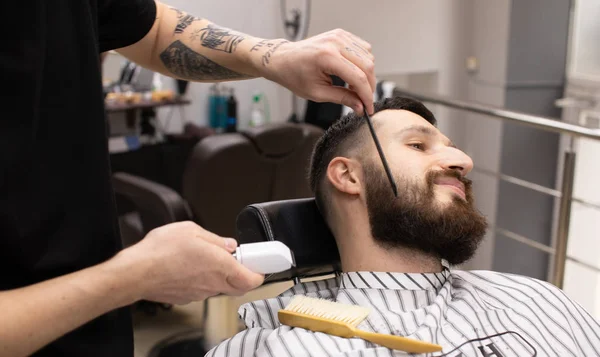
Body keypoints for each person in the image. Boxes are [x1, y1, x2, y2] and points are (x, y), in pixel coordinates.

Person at [0, 1, 376, 356]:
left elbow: (156, 29)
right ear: (344, 174)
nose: (439, 158)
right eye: (416, 144)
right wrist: (133, 277)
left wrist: (273, 55)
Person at [206, 97, 600, 357]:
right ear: (348, 176)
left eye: (451, 146)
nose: (463, 160)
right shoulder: (272, 346)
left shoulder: (537, 298)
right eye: (417, 145)